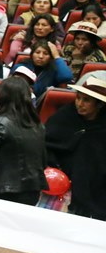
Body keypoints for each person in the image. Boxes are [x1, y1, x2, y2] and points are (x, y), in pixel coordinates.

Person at [0, 77, 47, 205]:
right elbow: (43, 161)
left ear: (1, 96)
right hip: (32, 190)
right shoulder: (38, 125)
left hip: (1, 191)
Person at [45, 76, 106, 220]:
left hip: (95, 189)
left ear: (99, 105)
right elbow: (46, 145)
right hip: (58, 184)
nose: (79, 104)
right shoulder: (64, 117)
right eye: (78, 98)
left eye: (86, 100)